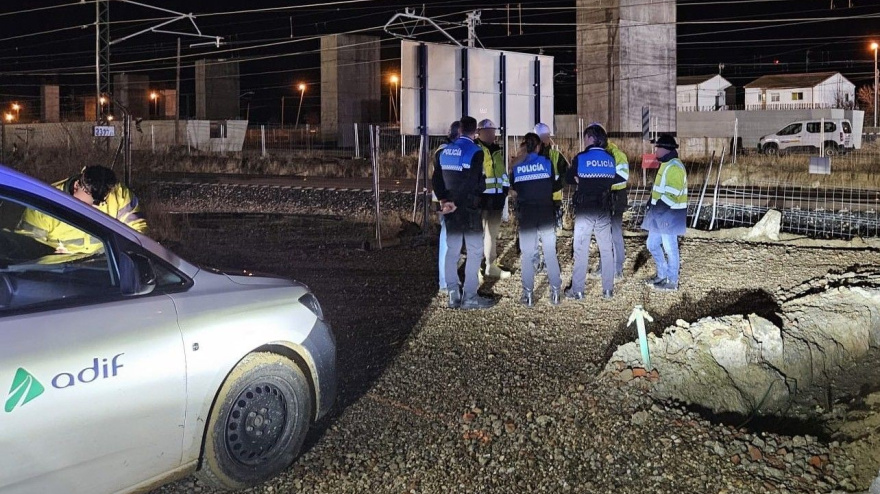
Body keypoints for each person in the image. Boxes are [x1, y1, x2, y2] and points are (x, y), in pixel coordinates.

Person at [432, 116, 496, 310]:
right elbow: (472, 183)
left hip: (449, 209)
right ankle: (469, 296)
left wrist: (445, 200)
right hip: (468, 209)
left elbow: (436, 178)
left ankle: (452, 294)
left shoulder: (443, 151)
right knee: (475, 251)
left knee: (452, 252)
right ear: (474, 131)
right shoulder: (475, 152)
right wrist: (458, 202)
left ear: (459, 129)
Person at [17, 165, 147, 254]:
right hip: (59, 272)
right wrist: (50, 255)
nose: (94, 208)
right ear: (76, 187)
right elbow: (26, 245)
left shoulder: (119, 195)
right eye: (90, 203)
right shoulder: (46, 201)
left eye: (99, 202)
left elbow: (138, 233)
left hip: (105, 268)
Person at [565, 124, 625, 300]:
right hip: (604, 209)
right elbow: (616, 178)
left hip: (585, 209)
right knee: (606, 250)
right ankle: (607, 290)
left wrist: (580, 178)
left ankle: (578, 290)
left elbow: (569, 178)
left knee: (581, 249)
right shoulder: (610, 158)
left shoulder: (582, 157)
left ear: (591, 138)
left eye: (585, 138)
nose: (584, 141)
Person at [511, 133, 562, 307]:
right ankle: (555, 292)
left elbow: (514, 188)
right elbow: (553, 184)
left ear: (524, 146)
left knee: (527, 255)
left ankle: (528, 295)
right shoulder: (547, 163)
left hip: (527, 215)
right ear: (539, 146)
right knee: (550, 253)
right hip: (546, 212)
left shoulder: (517, 168)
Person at [642, 134, 688, 292]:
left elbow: (671, 195)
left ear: (665, 149)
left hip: (669, 215)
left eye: (658, 148)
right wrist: (651, 204)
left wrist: (656, 210)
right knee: (652, 244)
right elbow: (660, 191)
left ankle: (672, 281)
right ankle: (662, 275)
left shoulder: (674, 167)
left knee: (670, 248)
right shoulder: (666, 164)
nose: (656, 151)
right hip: (660, 214)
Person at [532, 122, 570, 273]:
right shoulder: (530, 156)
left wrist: (552, 188)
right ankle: (536, 262)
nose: (545, 139)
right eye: (543, 137)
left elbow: (565, 175)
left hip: (553, 200)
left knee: (549, 233)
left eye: (547, 136)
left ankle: (548, 262)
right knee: (535, 234)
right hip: (536, 200)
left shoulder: (555, 155)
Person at [475, 119, 511, 280]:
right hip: (482, 199)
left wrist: (504, 190)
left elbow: (502, 174)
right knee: (477, 235)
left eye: (493, 131)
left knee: (492, 234)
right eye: (488, 131)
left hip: (496, 199)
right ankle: (475, 269)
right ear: (480, 132)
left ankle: (491, 266)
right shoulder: (476, 149)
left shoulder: (497, 151)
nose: (492, 134)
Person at [432, 121, 461, 293]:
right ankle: (446, 281)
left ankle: (448, 279)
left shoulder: (443, 150)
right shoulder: (445, 151)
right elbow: (439, 178)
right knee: (448, 240)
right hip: (447, 201)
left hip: (447, 199)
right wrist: (444, 199)